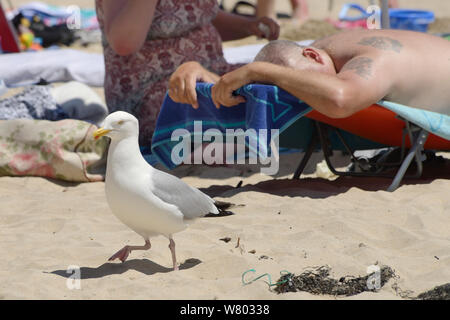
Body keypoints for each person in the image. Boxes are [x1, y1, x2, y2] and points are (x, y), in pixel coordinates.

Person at [95, 0, 279, 145]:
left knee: (276, 77)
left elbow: (196, 17)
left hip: (209, 71)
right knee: (232, 102)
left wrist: (249, 26)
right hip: (154, 87)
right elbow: (124, 42)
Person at [169, 29, 450, 118]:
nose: (307, 91)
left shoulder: (373, 58)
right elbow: (283, 81)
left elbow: (340, 100)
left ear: (312, 56)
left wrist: (257, 69)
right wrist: (200, 71)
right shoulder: (321, 54)